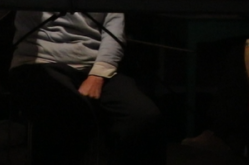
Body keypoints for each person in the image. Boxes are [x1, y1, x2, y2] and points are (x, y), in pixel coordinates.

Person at [9, 11, 163, 165]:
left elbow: (114, 33)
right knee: (67, 111)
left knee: (142, 115)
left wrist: (98, 74)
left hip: (94, 65)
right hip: (39, 61)